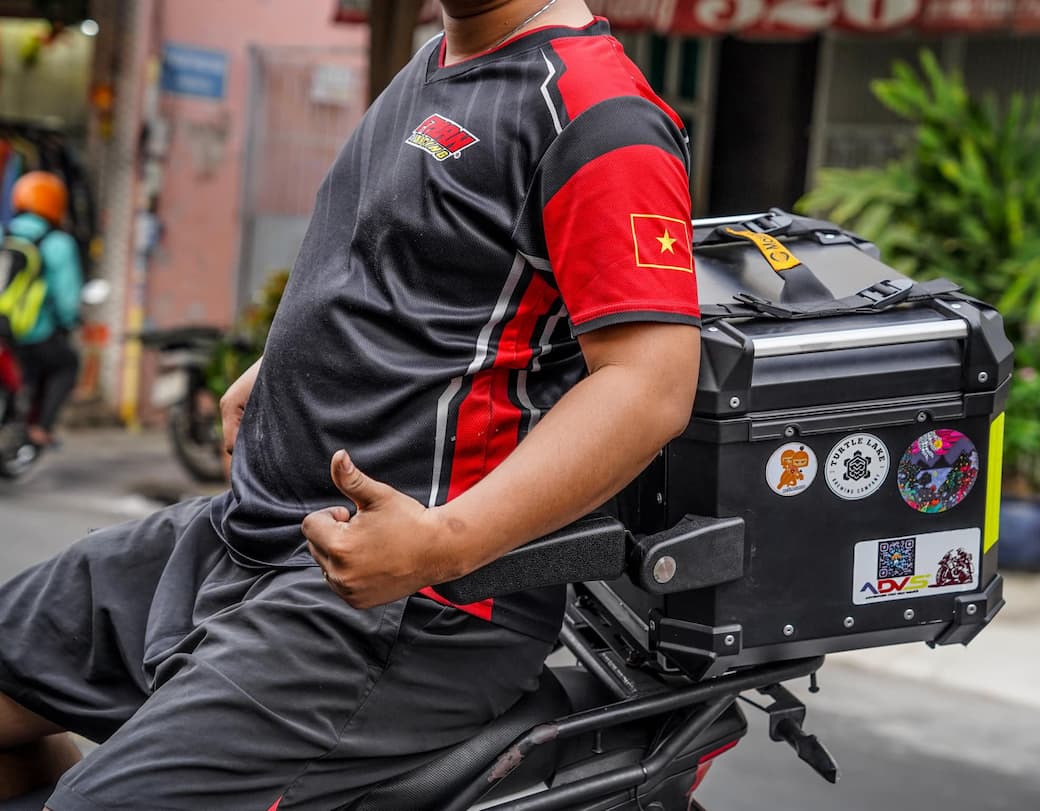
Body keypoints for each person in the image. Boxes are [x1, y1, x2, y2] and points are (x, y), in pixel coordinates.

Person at [0, 1, 701, 808]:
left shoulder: (597, 114)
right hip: (252, 533)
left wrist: (441, 544)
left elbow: (649, 386)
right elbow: (410, 272)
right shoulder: (440, 60)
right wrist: (282, 364)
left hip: (404, 607)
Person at [1, 171, 82, 448]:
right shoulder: (58, 243)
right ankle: (41, 428)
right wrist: (69, 321)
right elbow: (67, 298)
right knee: (66, 364)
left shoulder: (4, 233)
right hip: (32, 331)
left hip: (3, 328)